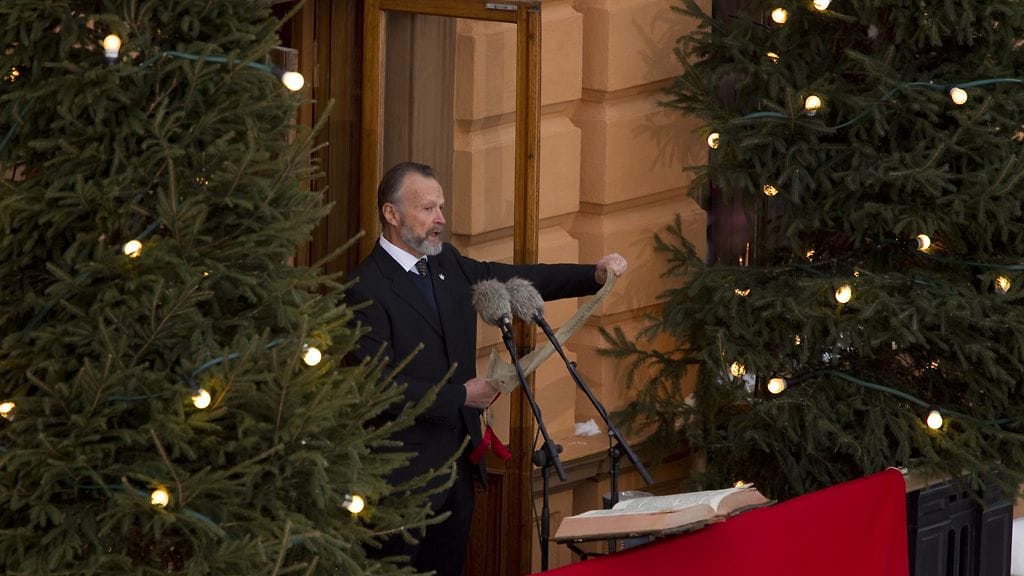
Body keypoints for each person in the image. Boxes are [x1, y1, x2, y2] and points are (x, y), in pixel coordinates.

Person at [347, 161, 627, 576]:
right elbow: (378, 387)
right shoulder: (364, 287)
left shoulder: (449, 266)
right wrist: (462, 396)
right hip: (396, 484)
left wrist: (592, 275)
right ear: (391, 214)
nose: (440, 219)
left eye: (441, 207)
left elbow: (515, 279)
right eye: (427, 209)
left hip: (457, 476)